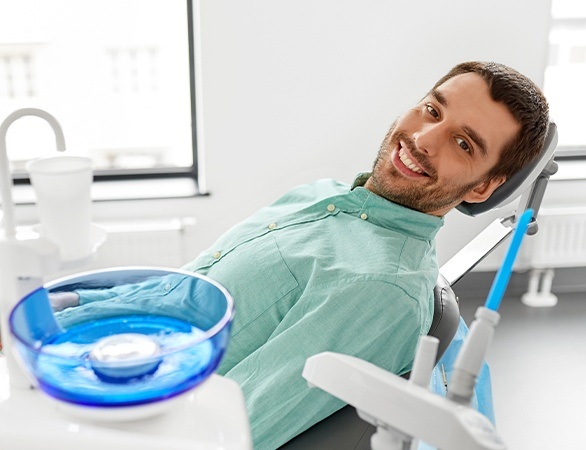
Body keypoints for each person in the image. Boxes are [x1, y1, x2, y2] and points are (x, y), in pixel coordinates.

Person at [52, 61, 549, 450]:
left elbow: (232, 431)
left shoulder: (378, 291)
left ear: (483, 186)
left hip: (111, 415)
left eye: (462, 144)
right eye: (432, 110)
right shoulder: (321, 196)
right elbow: (179, 293)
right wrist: (66, 309)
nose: (421, 140)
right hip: (88, 348)